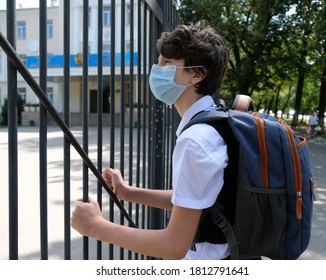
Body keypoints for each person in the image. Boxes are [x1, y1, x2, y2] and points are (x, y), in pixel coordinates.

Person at [71, 25, 230, 260]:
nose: (157, 70)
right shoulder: (216, 118)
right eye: (159, 62)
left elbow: (174, 246)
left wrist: (95, 226)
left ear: (197, 74)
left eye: (167, 62)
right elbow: (192, 197)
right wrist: (127, 192)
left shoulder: (195, 140)